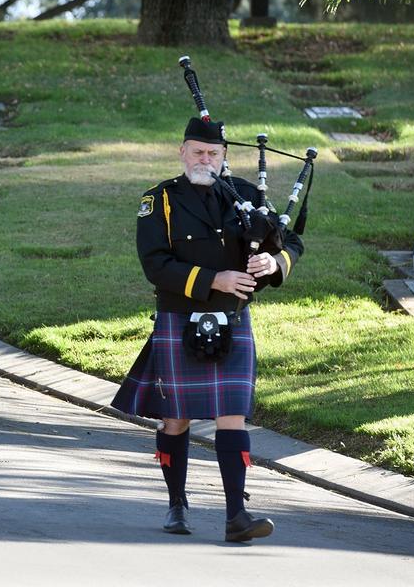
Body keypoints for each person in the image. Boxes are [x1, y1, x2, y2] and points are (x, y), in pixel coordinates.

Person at [111, 118, 304, 543]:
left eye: (213, 154)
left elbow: (290, 243)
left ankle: (237, 514)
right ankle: (177, 502)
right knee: (176, 418)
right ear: (182, 152)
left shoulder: (248, 198)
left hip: (233, 321)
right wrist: (213, 280)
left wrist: (274, 264)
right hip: (180, 319)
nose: (205, 160)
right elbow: (155, 264)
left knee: (232, 414)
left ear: (224, 157)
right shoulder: (159, 199)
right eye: (197, 152)